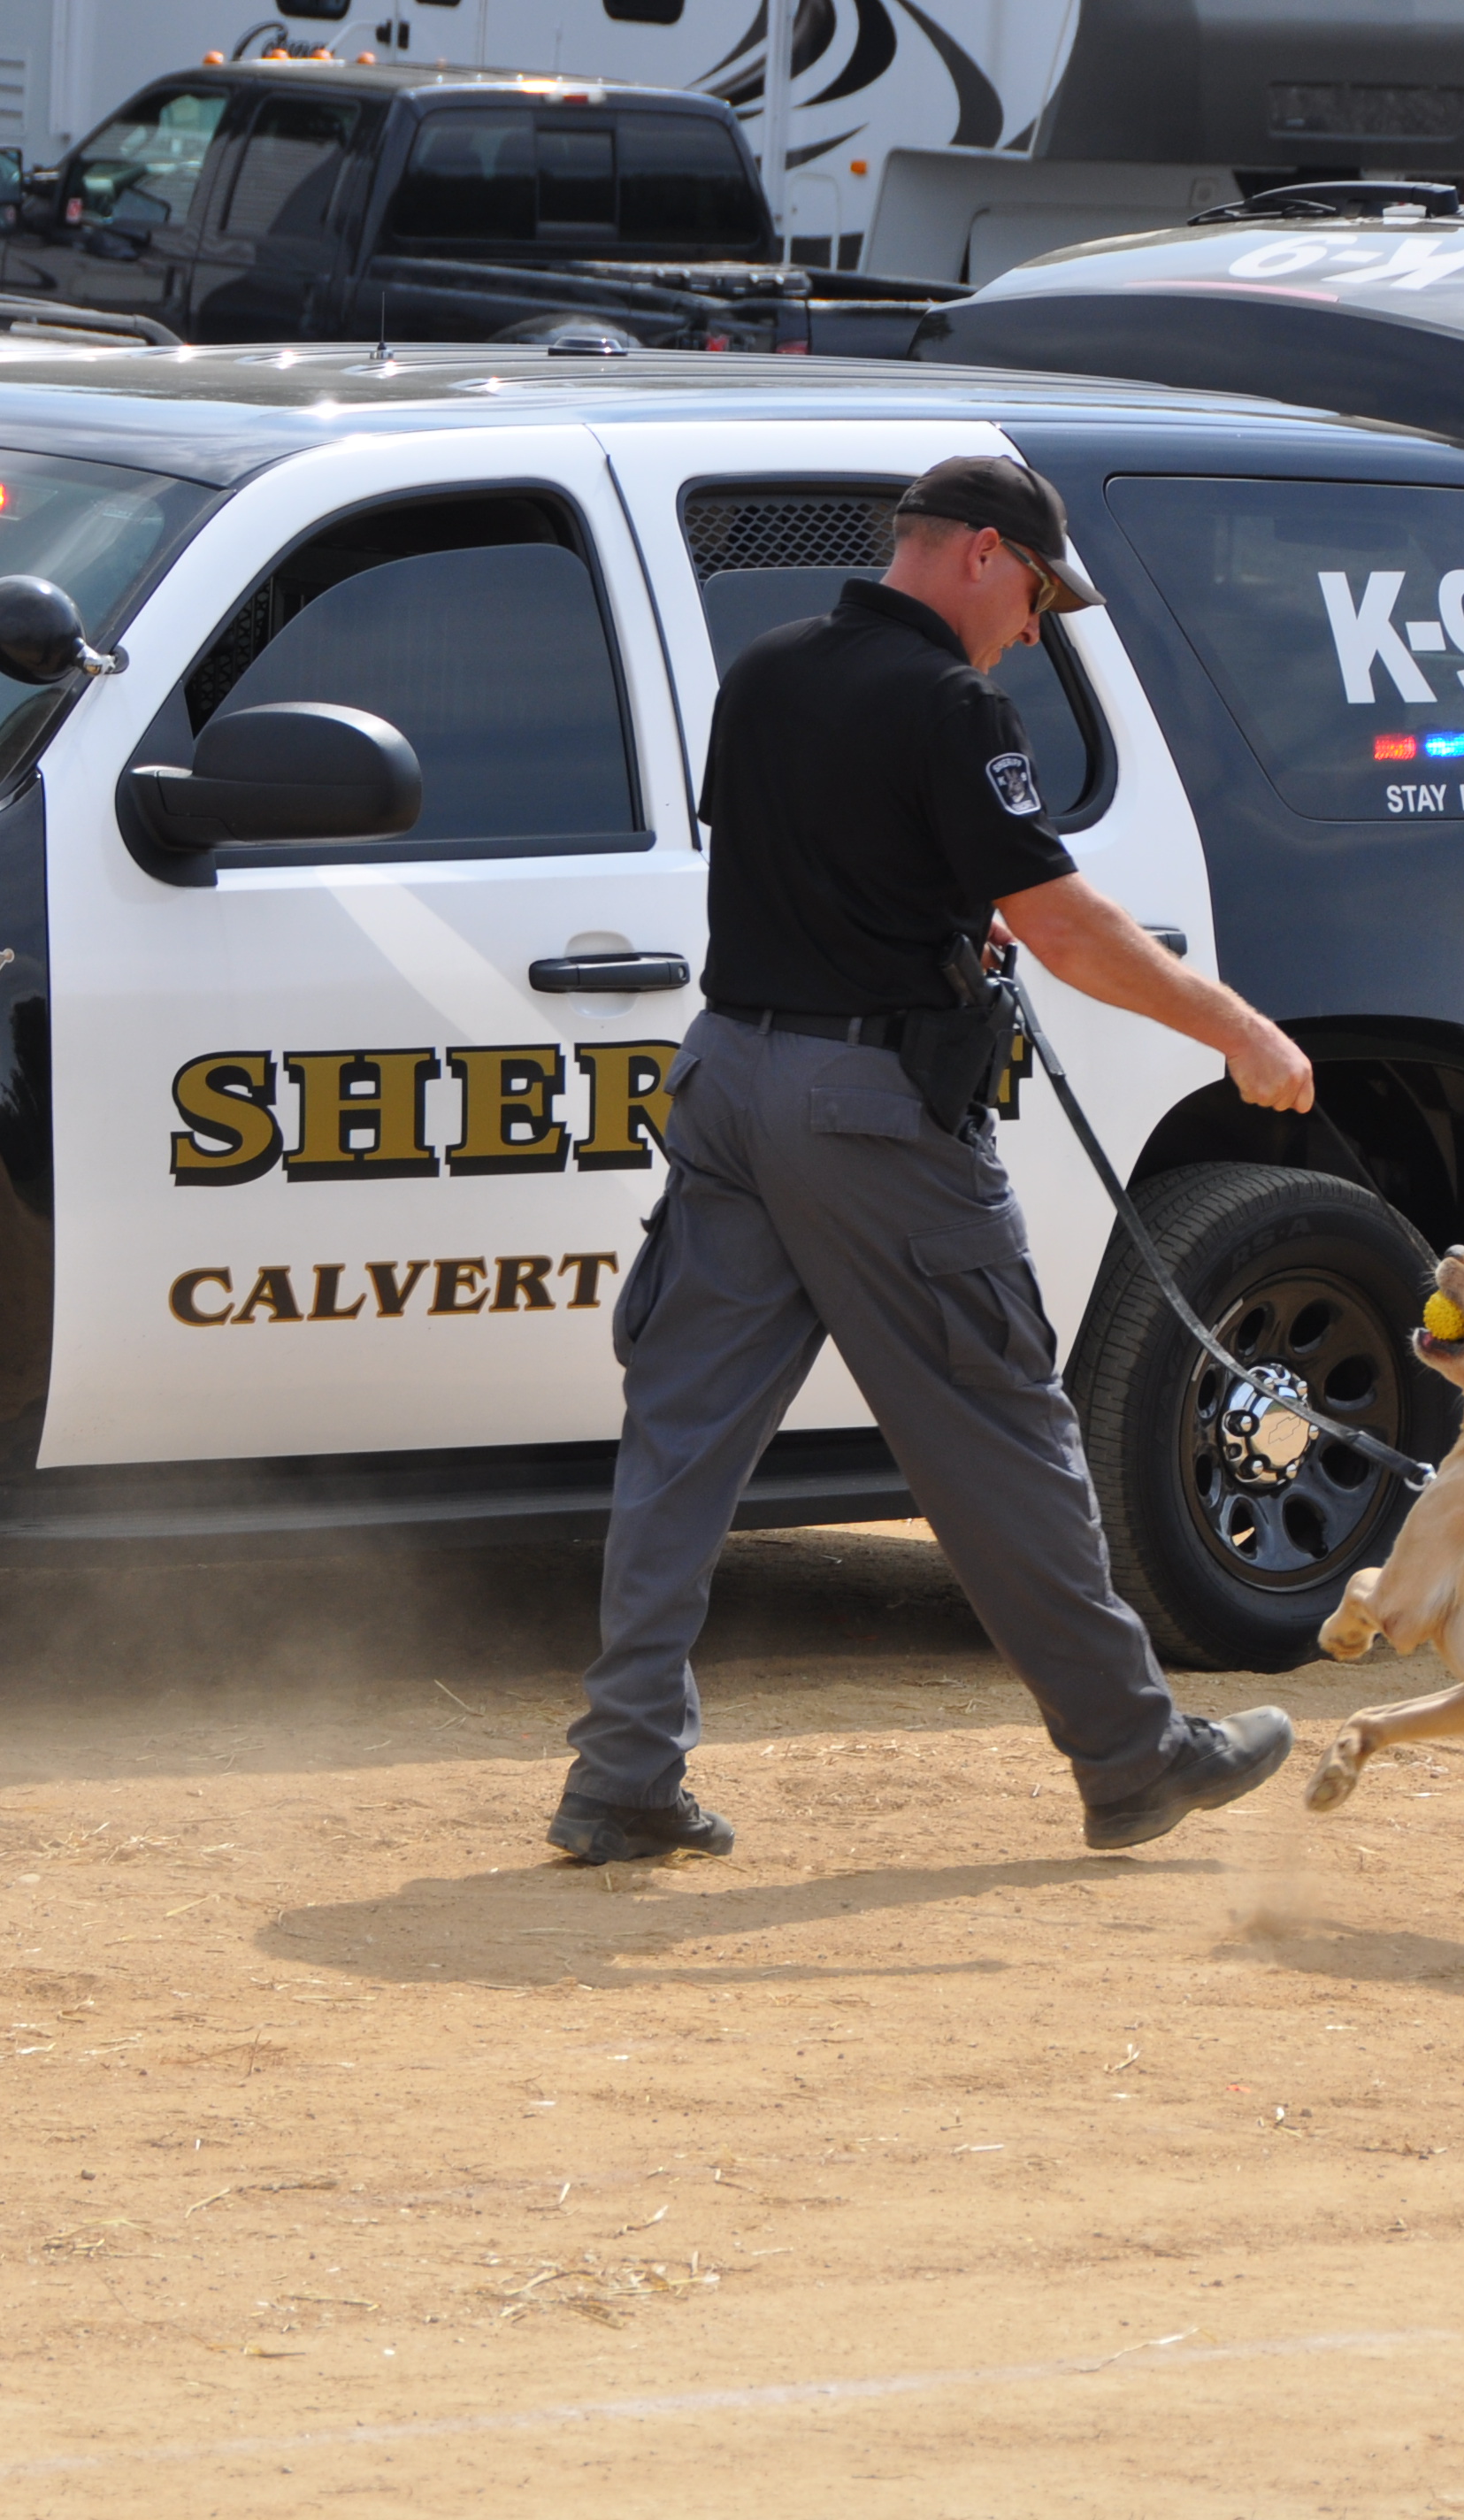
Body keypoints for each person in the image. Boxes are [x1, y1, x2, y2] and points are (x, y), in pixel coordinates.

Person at [548, 456, 1320, 1866]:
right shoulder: (954, 706)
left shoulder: (769, 667)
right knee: (1000, 1429)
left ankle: (623, 1772)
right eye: (1035, 595)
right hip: (867, 1112)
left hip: (728, 1075)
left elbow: (822, 860)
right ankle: (1132, 1753)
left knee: (683, 1433)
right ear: (980, 552)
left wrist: (940, 923)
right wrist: (1239, 1029)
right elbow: (1074, 930)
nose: (1034, 628)